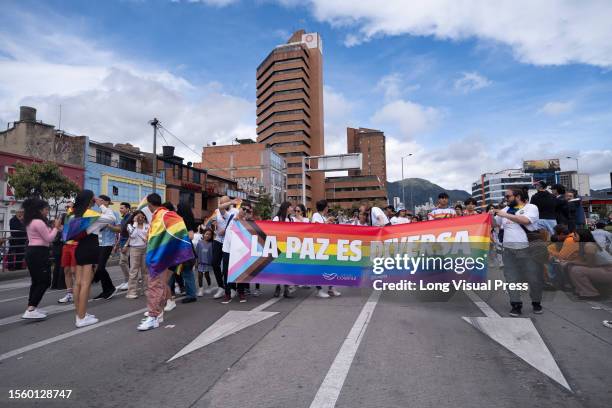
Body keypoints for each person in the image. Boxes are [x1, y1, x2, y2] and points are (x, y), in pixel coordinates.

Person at [491, 188, 543, 317]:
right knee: (511, 279)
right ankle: (516, 305)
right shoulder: (504, 210)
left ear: (517, 196)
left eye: (508, 196)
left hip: (528, 249)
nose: (506, 199)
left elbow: (525, 221)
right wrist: (490, 217)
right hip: (508, 250)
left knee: (533, 278)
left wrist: (505, 215)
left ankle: (536, 302)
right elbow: (495, 224)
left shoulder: (531, 207)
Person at [72, 190, 117, 327]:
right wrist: (101, 205)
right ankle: (81, 318)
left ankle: (80, 314)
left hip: (79, 248)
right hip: (90, 247)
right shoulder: (92, 215)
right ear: (91, 200)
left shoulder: (74, 215)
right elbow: (112, 218)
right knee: (86, 283)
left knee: (78, 283)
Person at [21, 198, 62, 320]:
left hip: (33, 252)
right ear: (39, 210)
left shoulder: (31, 221)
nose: (47, 212)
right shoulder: (38, 222)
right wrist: (56, 227)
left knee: (36, 281)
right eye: (45, 209)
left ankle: (32, 306)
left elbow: (47, 234)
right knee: (44, 282)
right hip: (39, 252)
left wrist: (55, 228)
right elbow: (49, 238)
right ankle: (31, 309)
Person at [567, 230, 612, 299]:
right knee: (571, 267)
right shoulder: (584, 245)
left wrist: (571, 262)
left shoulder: (589, 245)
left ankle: (590, 293)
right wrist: (568, 262)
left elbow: (590, 264)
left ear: (582, 236)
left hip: (608, 270)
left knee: (576, 270)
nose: (573, 236)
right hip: (603, 269)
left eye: (575, 235)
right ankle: (580, 290)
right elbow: (580, 260)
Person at [221, 201, 250, 304]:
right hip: (227, 250)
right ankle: (227, 294)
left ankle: (241, 292)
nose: (244, 211)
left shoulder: (247, 222)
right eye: (244, 209)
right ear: (240, 208)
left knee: (240, 271)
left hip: (239, 251)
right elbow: (221, 207)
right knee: (226, 272)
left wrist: (243, 222)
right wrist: (232, 202)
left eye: (247, 210)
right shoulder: (231, 215)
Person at [92, 195, 120, 300]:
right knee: (99, 268)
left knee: (101, 267)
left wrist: (109, 226)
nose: (100, 202)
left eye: (102, 200)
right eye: (99, 200)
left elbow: (119, 229)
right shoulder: (100, 214)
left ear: (107, 202)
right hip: (98, 243)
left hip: (108, 243)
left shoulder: (114, 214)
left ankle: (110, 288)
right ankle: (105, 290)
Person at [312, 200, 341, 298]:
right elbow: (317, 228)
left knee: (330, 267)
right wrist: (327, 222)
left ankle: (331, 288)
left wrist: (329, 222)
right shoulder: (316, 216)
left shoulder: (323, 217)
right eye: (327, 207)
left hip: (326, 246)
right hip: (318, 247)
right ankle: (319, 290)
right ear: (325, 208)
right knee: (318, 269)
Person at [210, 196, 234, 299]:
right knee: (215, 263)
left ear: (228, 203)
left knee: (228, 267)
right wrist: (213, 225)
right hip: (218, 240)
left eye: (224, 203)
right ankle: (221, 286)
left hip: (229, 242)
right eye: (220, 202)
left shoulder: (233, 212)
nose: (221, 204)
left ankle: (232, 288)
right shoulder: (216, 211)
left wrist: (225, 230)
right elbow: (212, 222)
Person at [272, 201, 295, 298]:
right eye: (290, 207)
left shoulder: (291, 220)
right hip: (278, 247)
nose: (292, 208)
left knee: (287, 269)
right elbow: (271, 231)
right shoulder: (277, 218)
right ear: (286, 208)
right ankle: (278, 287)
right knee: (279, 269)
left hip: (288, 247)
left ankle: (286, 289)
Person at [176, 201, 198, 304]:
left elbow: (191, 236)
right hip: (187, 249)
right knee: (187, 272)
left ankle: (191, 294)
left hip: (184, 250)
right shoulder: (189, 219)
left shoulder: (183, 220)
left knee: (187, 273)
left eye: (178, 208)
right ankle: (190, 293)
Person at [125, 211, 149, 299]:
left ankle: (146, 290)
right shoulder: (130, 226)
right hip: (134, 249)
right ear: (134, 217)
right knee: (134, 271)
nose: (141, 219)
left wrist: (147, 238)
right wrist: (135, 222)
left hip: (145, 249)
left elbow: (148, 236)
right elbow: (133, 235)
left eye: (142, 217)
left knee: (145, 271)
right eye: (138, 217)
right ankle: (131, 292)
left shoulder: (147, 225)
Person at [58, 208, 78, 304]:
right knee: (66, 270)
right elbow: (59, 227)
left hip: (76, 245)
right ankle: (69, 294)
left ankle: (77, 292)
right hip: (66, 246)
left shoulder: (77, 218)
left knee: (74, 271)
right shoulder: (64, 219)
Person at [116, 202, 132, 292]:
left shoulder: (130, 218)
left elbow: (131, 233)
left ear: (127, 209)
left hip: (127, 243)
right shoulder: (123, 219)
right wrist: (117, 244)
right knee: (123, 262)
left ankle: (129, 281)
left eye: (122, 208)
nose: (120, 209)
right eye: (120, 208)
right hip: (122, 242)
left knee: (123, 262)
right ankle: (127, 280)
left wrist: (126, 245)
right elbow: (121, 233)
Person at [196, 228, 216, 297]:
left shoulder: (212, 244)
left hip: (208, 263)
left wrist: (212, 262)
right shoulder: (199, 243)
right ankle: (201, 289)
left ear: (211, 236)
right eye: (206, 234)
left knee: (207, 275)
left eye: (210, 235)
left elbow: (212, 254)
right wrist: (196, 262)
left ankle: (209, 286)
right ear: (203, 234)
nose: (207, 236)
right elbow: (197, 253)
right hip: (200, 262)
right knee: (200, 275)